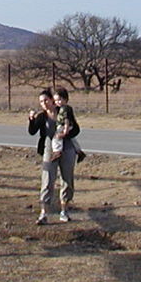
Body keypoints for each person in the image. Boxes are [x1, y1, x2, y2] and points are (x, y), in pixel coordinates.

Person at [27, 86, 81, 224]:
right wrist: (31, 120)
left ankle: (64, 210)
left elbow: (76, 129)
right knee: (47, 180)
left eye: (46, 100)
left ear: (52, 100)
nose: (44, 103)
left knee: (67, 179)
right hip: (50, 148)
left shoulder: (64, 111)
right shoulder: (42, 117)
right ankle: (44, 213)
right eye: (41, 102)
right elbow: (32, 131)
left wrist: (65, 134)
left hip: (67, 147)